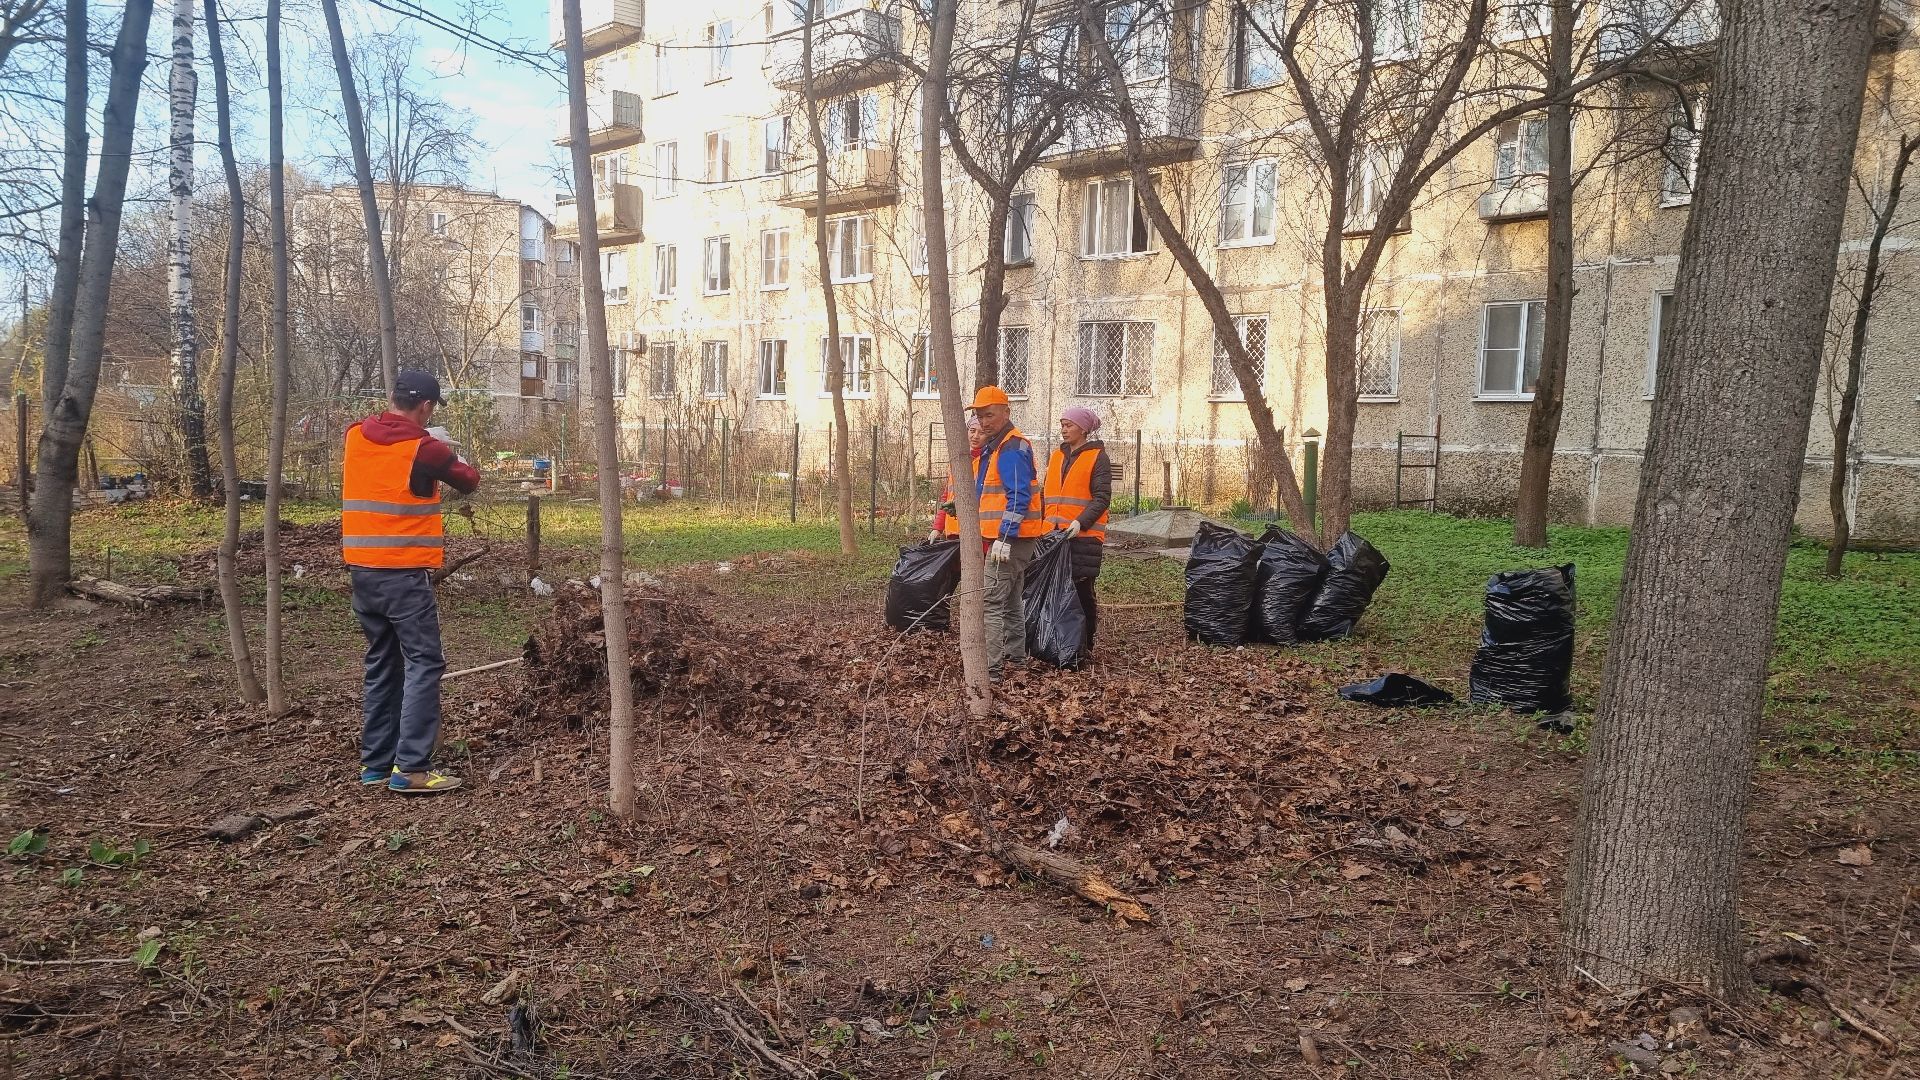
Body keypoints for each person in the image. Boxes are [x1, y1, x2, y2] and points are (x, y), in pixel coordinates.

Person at [341, 371, 480, 795]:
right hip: (402, 574)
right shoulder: (426, 448)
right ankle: (411, 768)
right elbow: (469, 480)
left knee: (382, 663)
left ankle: (375, 764)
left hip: (363, 573)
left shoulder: (355, 436)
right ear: (426, 407)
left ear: (391, 398)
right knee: (425, 662)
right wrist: (442, 448)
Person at [968, 386, 1049, 676]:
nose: (984, 422)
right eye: (980, 416)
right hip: (1009, 539)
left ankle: (991, 670)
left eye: (989, 415)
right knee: (1012, 599)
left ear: (1006, 412)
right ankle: (1016, 659)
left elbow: (1019, 496)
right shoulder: (996, 446)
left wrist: (1005, 536)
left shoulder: (1012, 447)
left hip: (1011, 540)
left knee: (990, 599)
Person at [1042, 407, 1112, 651]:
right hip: (1052, 535)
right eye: (1062, 424)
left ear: (1083, 429)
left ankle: (1084, 643)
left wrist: (1080, 522)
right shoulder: (1056, 456)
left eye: (1069, 425)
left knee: (1082, 591)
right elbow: (1046, 494)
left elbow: (1101, 497)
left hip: (1083, 537)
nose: (1063, 429)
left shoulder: (1097, 457)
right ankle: (1057, 641)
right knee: (1054, 589)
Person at [928, 416, 986, 544]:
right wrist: (937, 528)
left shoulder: (988, 463)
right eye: (972, 431)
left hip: (975, 533)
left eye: (981, 433)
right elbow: (946, 497)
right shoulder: (957, 462)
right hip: (952, 532)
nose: (975, 436)